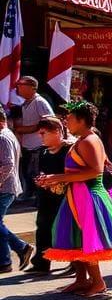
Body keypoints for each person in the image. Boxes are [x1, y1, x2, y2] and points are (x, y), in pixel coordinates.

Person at [35, 101, 112, 295]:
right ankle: (81, 279)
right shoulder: (83, 139)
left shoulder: (89, 140)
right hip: (77, 195)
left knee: (88, 238)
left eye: (70, 119)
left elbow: (94, 172)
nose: (66, 122)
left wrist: (58, 178)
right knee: (75, 237)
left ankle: (98, 282)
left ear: (82, 120)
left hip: (88, 197)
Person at [27, 117, 71, 274]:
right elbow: (39, 173)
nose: (41, 136)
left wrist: (56, 181)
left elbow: (73, 174)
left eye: (43, 133)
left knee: (66, 229)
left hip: (65, 198)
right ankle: (41, 262)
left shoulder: (69, 151)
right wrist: (40, 180)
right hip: (46, 198)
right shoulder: (43, 152)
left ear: (57, 132)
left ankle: (75, 262)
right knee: (43, 227)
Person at [1, 107, 34, 273]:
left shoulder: (2, 137)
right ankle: (5, 261)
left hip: (4, 188)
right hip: (7, 187)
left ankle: (22, 248)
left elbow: (7, 165)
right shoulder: (8, 135)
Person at [12, 76, 54, 201]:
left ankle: (39, 198)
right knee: (28, 173)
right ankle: (30, 194)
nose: (18, 87)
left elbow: (48, 121)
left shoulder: (39, 102)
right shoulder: (26, 102)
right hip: (28, 145)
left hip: (38, 146)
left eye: (21, 84)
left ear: (32, 87)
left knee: (37, 174)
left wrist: (26, 129)